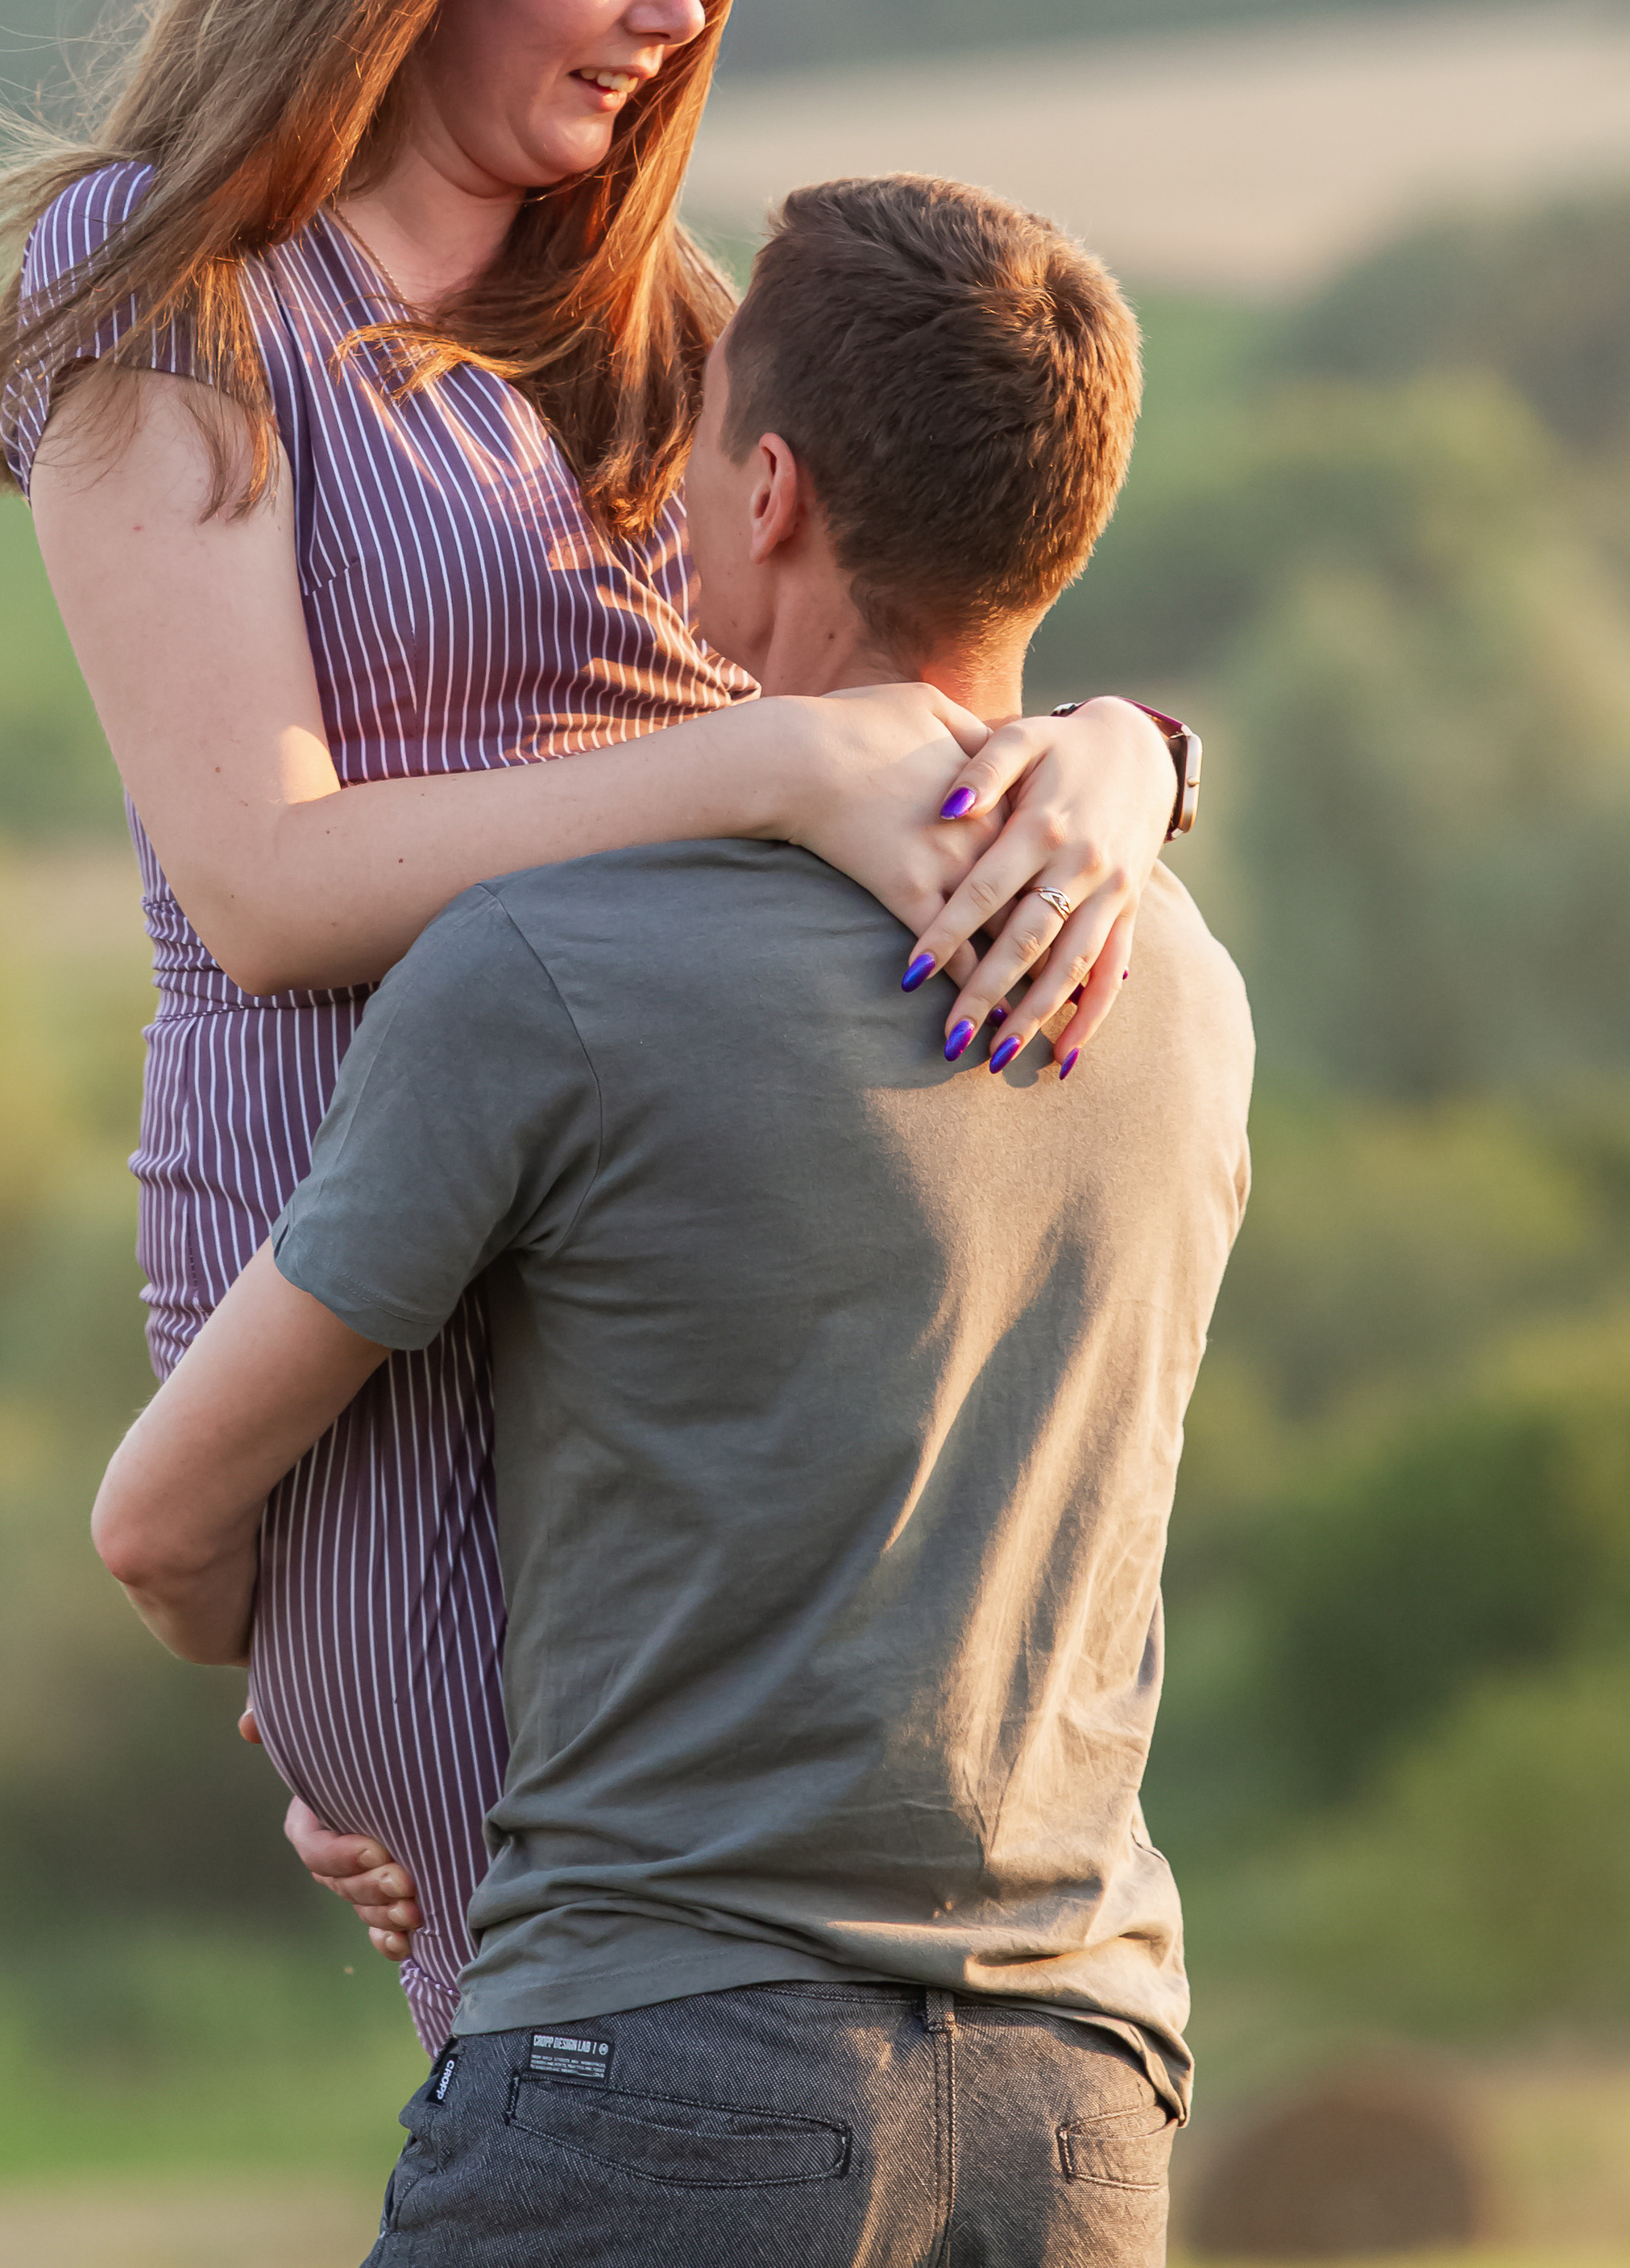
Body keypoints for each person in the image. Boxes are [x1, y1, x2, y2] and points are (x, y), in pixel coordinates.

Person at [0, 0, 1194, 2050]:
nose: (676, 8)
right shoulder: (177, 282)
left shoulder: (658, 326)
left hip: (679, 1291)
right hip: (363, 1304)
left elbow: (934, 701)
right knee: (601, 2057)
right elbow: (267, 886)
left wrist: (1134, 761)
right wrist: (761, 762)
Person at [93, 175, 1252, 2263]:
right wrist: (1128, 752)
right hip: (1082, 2109)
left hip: (666, 2078)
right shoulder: (1183, 994)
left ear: (777, 491)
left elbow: (162, 1524)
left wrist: (319, 1701)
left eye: (692, 454)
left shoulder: (551, 974)